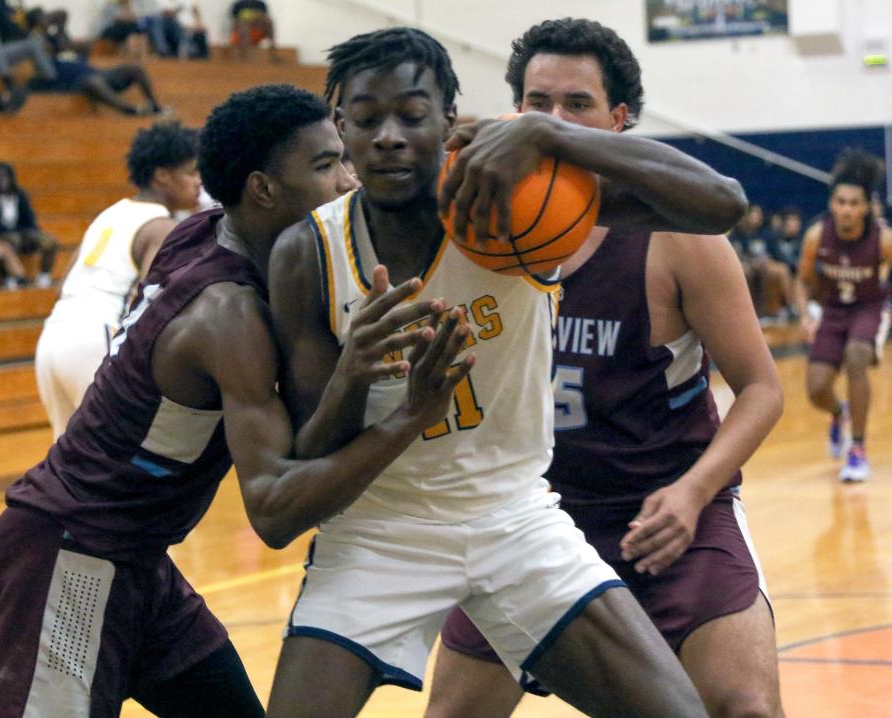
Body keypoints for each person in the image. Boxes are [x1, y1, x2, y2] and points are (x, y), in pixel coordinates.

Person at [265, 26, 749, 718]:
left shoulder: (512, 203)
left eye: (412, 114)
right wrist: (355, 376)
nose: (390, 137)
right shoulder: (305, 252)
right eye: (367, 120)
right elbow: (311, 456)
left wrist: (554, 137)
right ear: (340, 127)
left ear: (451, 118)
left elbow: (723, 203)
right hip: (379, 529)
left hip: (512, 518)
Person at [0, 82, 471, 718]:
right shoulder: (228, 316)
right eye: (326, 166)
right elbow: (274, 512)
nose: (349, 181)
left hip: (137, 560)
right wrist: (412, 414)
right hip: (68, 555)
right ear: (263, 190)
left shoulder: (208, 230)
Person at [425, 17, 785, 718]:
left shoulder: (674, 235)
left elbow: (764, 388)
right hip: (529, 520)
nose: (553, 121)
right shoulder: (473, 227)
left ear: (617, 121)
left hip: (667, 511)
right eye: (537, 105)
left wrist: (692, 492)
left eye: (578, 105)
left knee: (746, 708)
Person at [34, 122, 198, 439]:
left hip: (53, 338)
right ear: (163, 175)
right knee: (116, 457)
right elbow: (155, 303)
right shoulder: (161, 225)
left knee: (69, 462)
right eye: (191, 172)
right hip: (97, 336)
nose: (198, 182)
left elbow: (65, 280)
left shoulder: (109, 214)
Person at [796, 149, 892, 482]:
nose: (846, 209)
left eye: (854, 203)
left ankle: (858, 449)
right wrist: (805, 314)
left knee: (857, 356)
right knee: (817, 388)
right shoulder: (815, 236)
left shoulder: (883, 239)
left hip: (868, 308)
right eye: (840, 202)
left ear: (866, 207)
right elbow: (802, 281)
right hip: (833, 311)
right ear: (832, 204)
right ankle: (840, 413)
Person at [26, 8, 167, 117]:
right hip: (80, 84)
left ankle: (155, 106)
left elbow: (62, 14)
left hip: (100, 74)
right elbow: (42, 56)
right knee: (92, 81)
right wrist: (40, 32)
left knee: (134, 68)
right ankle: (129, 110)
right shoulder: (38, 51)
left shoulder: (58, 40)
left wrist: (45, 23)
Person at [0, 162, 59, 288]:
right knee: (13, 240)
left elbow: (30, 219)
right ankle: (9, 277)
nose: (2, 180)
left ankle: (44, 277)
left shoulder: (20, 195)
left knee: (49, 241)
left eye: (5, 177)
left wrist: (27, 232)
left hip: (22, 231)